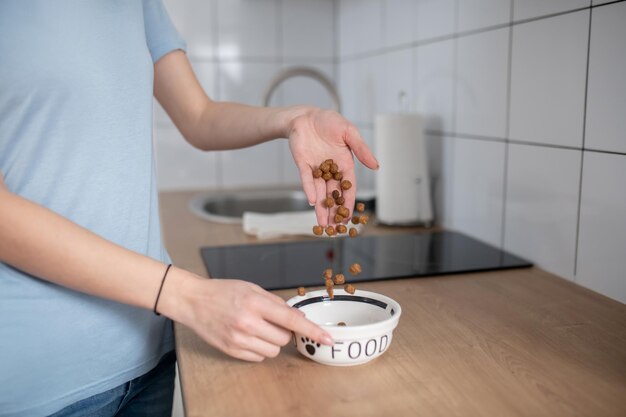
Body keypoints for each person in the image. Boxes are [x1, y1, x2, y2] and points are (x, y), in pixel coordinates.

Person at [0, 1, 378, 416]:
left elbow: (198, 116)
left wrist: (296, 118)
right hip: (46, 379)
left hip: (148, 351)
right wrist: (186, 295)